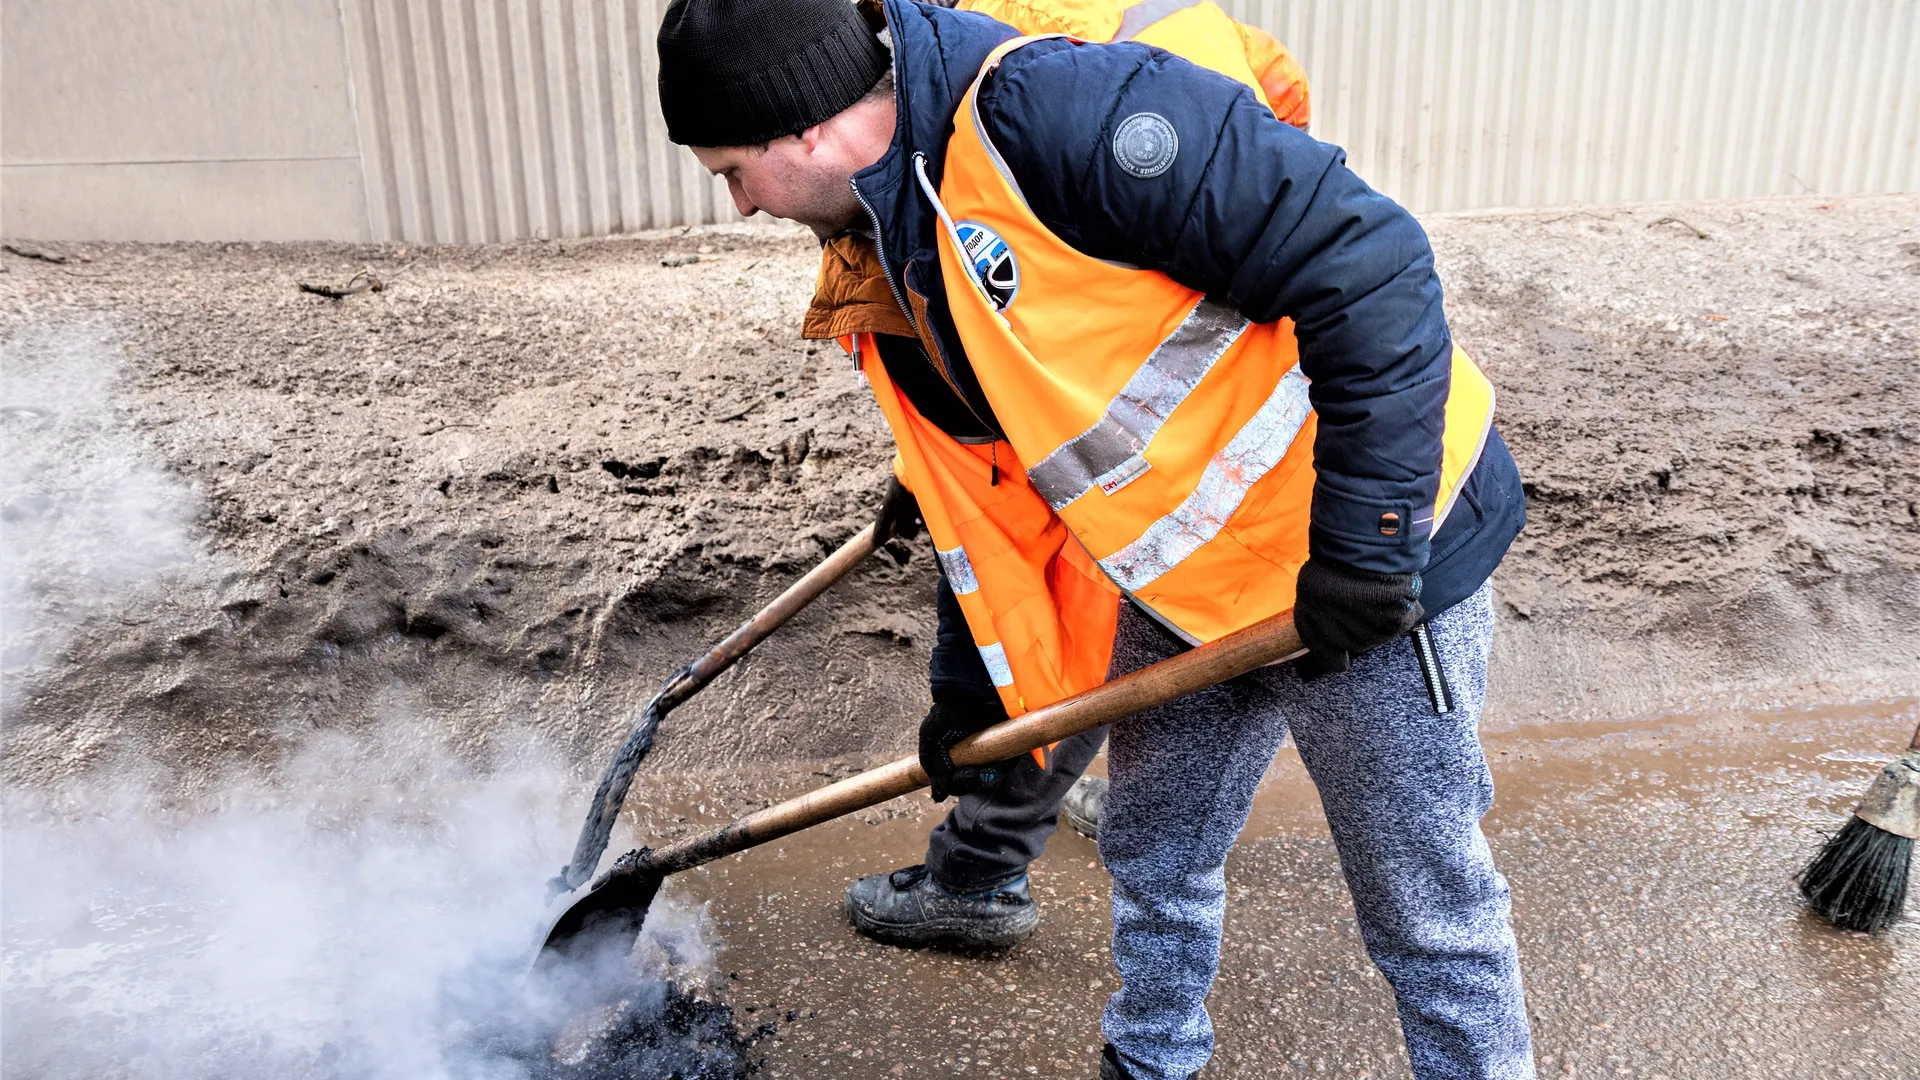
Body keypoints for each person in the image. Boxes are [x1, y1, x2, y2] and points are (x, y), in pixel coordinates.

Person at [656, 0, 1534, 1076]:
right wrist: (975, 702)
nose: (740, 206)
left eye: (731, 172)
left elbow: (1373, 260)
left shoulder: (1057, 120)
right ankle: (1150, 1059)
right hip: (1190, 582)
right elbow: (988, 490)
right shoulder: (903, 224)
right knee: (1156, 850)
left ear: (802, 126)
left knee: (1425, 912)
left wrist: (1371, 541)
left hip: (1369, 571)